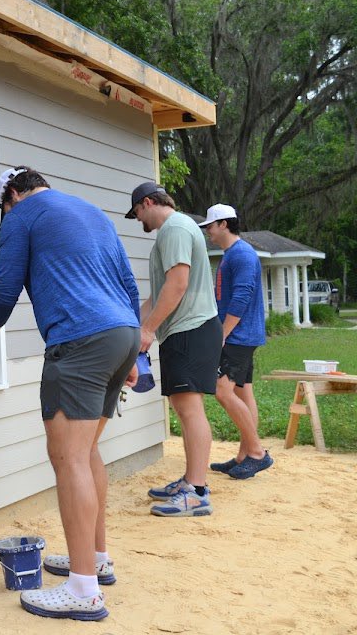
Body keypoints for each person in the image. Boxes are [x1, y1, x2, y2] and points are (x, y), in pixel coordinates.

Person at [0, 167, 140, 622]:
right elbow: (128, 285)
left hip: (79, 341)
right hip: (121, 334)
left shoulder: (22, 215)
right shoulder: (91, 211)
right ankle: (95, 560)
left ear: (12, 196)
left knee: (69, 459)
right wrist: (135, 353)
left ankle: (82, 589)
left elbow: (2, 290)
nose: (5, 219)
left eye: (3, 211)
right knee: (88, 451)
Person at [126, 181, 220, 517]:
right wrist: (132, 326)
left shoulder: (175, 229)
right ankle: (191, 481)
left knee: (190, 411)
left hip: (190, 330)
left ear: (148, 202)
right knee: (184, 410)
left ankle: (195, 492)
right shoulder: (175, 231)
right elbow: (159, 293)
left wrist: (148, 329)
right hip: (187, 331)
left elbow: (178, 284)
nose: (140, 221)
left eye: (138, 213)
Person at [199, 204, 273, 478]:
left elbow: (242, 296)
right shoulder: (233, 254)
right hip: (243, 334)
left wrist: (223, 333)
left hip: (238, 336)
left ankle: (256, 453)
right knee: (243, 392)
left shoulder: (241, 255)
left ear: (223, 224)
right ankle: (245, 456)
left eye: (210, 225)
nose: (207, 231)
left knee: (222, 390)